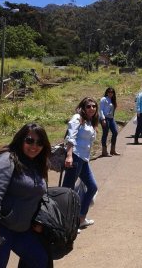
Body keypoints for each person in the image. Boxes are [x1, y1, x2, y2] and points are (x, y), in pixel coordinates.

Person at [0, 123, 52, 268]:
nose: (34, 146)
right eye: (29, 140)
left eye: (40, 143)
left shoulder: (36, 163)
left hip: (22, 228)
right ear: (20, 139)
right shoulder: (7, 159)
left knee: (39, 260)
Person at [63, 97, 99, 228]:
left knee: (92, 187)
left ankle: (81, 218)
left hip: (83, 159)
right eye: (88, 106)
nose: (91, 108)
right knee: (68, 191)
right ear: (83, 107)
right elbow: (70, 137)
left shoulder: (90, 121)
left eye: (94, 106)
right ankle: (67, 223)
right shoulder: (77, 118)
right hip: (75, 157)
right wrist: (69, 155)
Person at [99, 87, 120, 157]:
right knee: (105, 133)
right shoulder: (104, 99)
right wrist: (103, 119)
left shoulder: (112, 100)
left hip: (111, 118)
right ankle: (104, 151)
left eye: (112, 92)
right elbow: (101, 110)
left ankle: (112, 150)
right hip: (105, 118)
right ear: (107, 92)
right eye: (109, 92)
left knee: (115, 132)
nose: (110, 94)